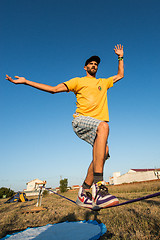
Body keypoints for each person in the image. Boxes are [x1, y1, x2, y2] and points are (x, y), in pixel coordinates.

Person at [6, 44, 124, 210]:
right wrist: (26, 82)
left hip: (97, 125)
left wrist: (120, 57)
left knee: (103, 153)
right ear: (85, 67)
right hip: (81, 121)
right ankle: (99, 187)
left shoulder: (103, 82)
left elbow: (120, 75)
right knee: (104, 127)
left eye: (96, 64)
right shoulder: (77, 81)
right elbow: (54, 89)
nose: (94, 65)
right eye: (91, 63)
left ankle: (83, 192)